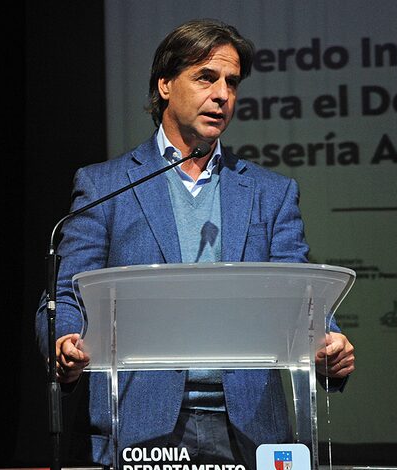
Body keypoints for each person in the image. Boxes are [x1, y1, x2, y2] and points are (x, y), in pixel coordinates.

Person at [35, 18, 355, 469]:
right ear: (165, 84)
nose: (222, 94)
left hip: (249, 429)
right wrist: (65, 340)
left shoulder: (270, 193)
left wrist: (330, 343)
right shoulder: (105, 185)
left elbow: (300, 295)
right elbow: (66, 294)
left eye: (232, 82)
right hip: (140, 424)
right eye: (206, 77)